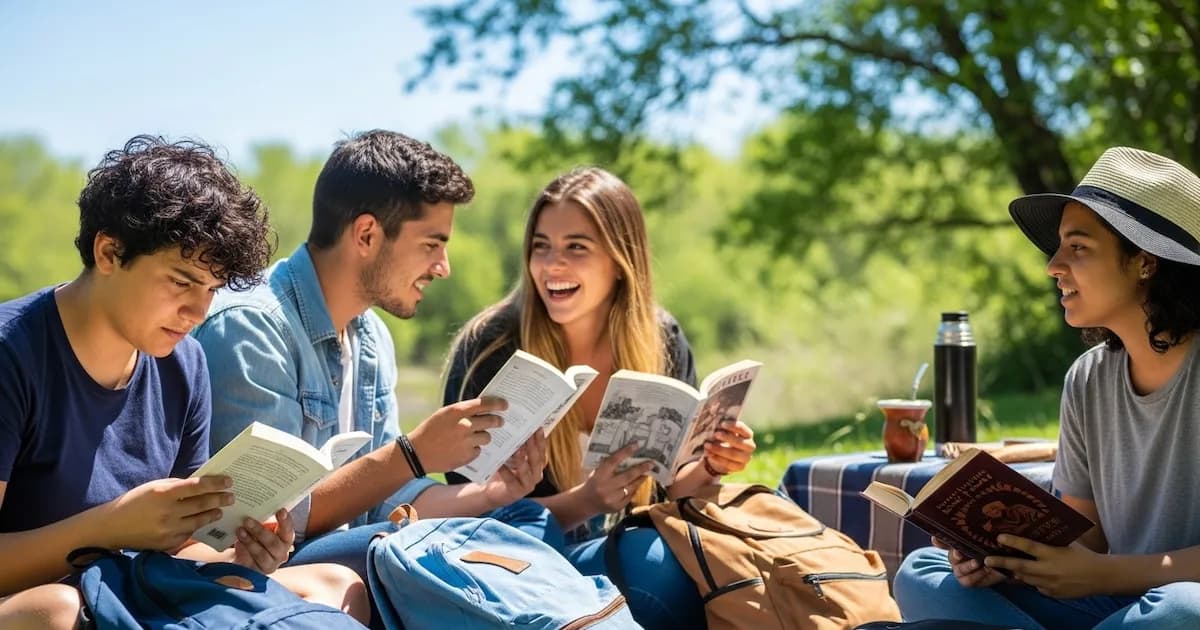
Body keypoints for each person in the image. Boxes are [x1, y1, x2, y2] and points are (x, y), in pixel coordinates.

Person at [0, 136, 369, 628]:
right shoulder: (12, 354)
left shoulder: (184, 363)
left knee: (336, 584)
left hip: (131, 595)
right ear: (109, 252)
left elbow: (181, 549)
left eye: (212, 290)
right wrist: (108, 528)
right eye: (181, 281)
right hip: (43, 605)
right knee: (55, 613)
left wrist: (243, 554)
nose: (198, 312)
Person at [192, 129, 549, 581]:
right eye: (431, 244)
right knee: (407, 551)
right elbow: (273, 520)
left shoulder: (372, 336)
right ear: (366, 235)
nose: (443, 267)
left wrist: (493, 492)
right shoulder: (251, 328)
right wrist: (413, 452)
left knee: (527, 519)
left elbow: (387, 495)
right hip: (277, 573)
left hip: (354, 554)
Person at [893, 147, 1200, 629]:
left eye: (1078, 247)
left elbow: (1101, 568)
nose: (1052, 266)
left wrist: (1103, 575)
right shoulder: (1088, 378)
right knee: (921, 573)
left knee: (1181, 609)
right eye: (1058, 247)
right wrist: (1001, 558)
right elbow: (1087, 540)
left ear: (1145, 262)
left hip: (1169, 605)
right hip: (1112, 606)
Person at [443, 166, 758, 627]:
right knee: (655, 567)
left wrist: (711, 463)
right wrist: (585, 501)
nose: (552, 266)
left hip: (627, 543)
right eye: (541, 247)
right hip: (515, 563)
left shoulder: (660, 337)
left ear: (619, 260)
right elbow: (463, 514)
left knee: (699, 561)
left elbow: (672, 488)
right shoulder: (492, 347)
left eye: (576, 248)